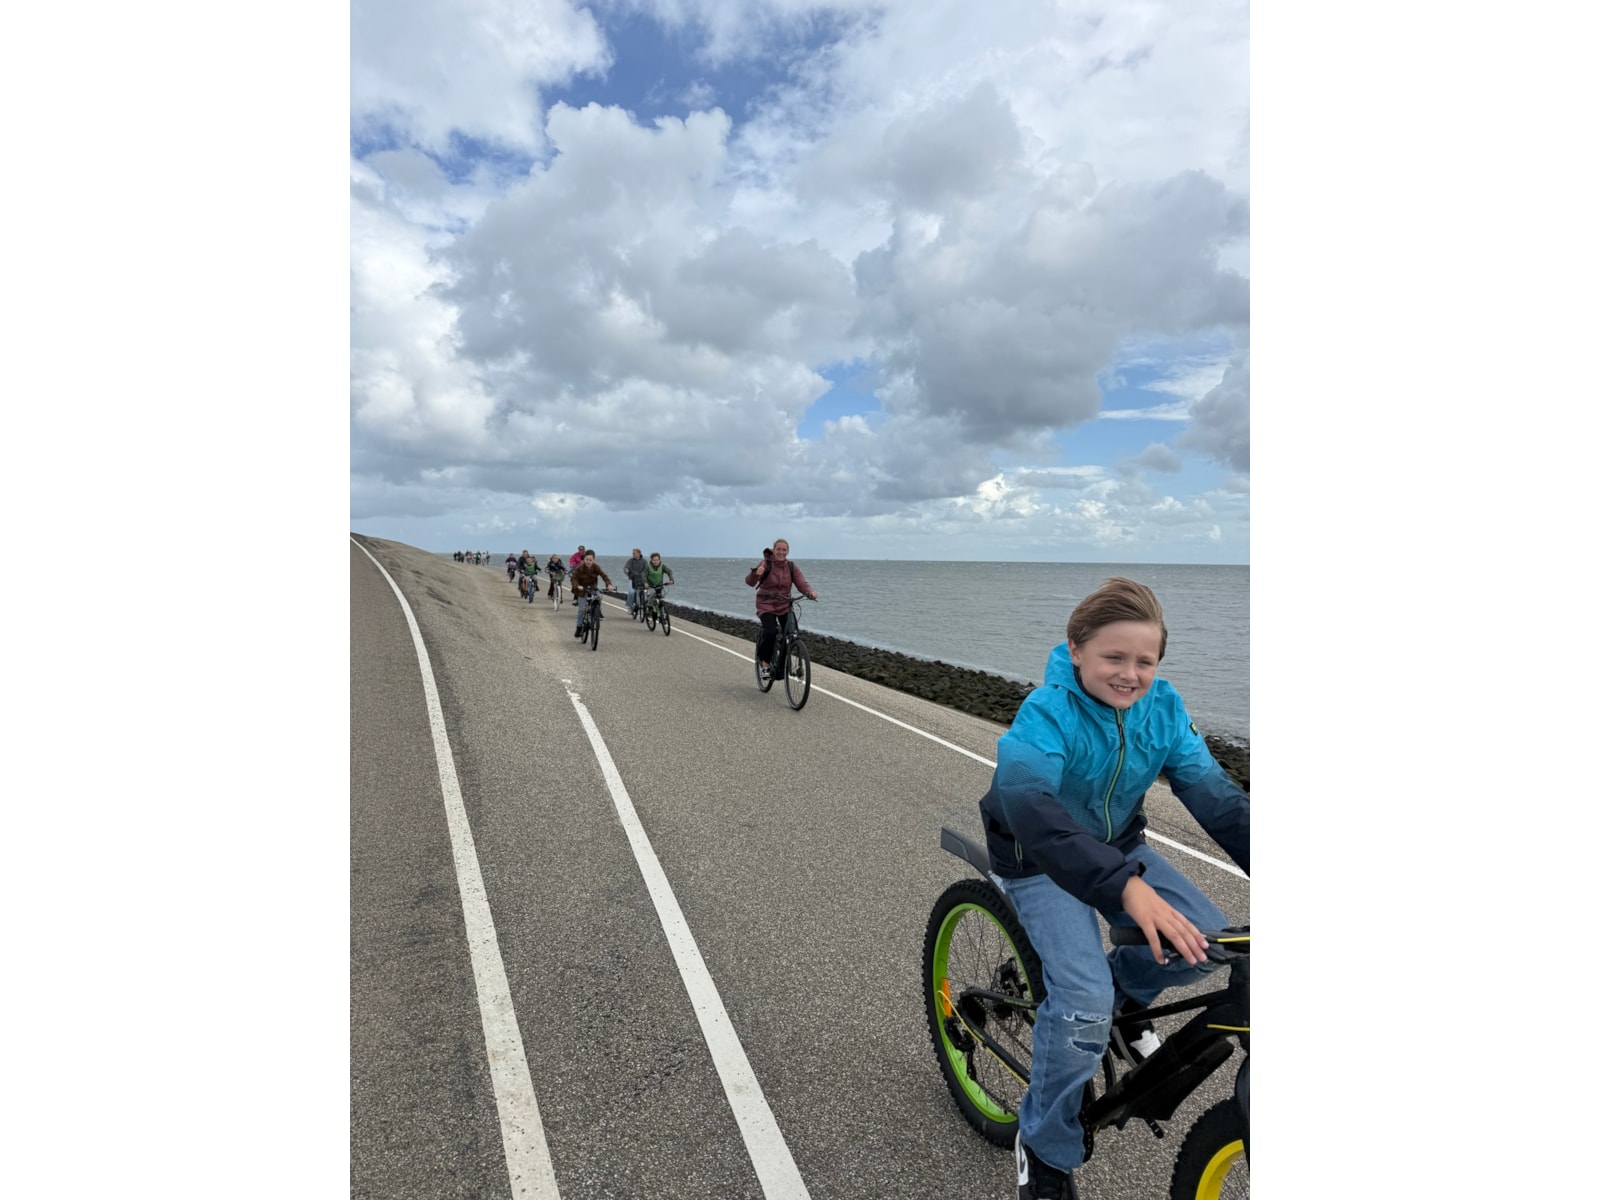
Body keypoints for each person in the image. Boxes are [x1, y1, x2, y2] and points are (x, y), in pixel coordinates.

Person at [976, 577, 1249, 1200]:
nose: (1130, 675)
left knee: (1207, 944)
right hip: (1035, 857)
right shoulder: (1046, 712)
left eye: (1145, 662)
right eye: (1114, 657)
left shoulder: (1164, 710)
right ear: (1076, 649)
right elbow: (1028, 804)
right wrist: (1124, 889)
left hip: (1117, 847)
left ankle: (1122, 1003)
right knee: (1081, 1002)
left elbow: (1218, 801)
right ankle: (1041, 1144)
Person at [743, 539, 818, 680]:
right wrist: (756, 574)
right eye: (778, 549)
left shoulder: (791, 566)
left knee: (791, 634)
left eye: (784, 550)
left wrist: (810, 592)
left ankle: (781, 668)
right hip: (766, 604)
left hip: (784, 604)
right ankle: (765, 665)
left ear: (788, 551)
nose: (781, 552)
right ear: (774, 550)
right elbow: (749, 582)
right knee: (771, 632)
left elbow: (801, 583)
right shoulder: (765, 564)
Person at [568, 550, 613, 637]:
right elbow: (574, 578)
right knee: (581, 609)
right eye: (587, 560)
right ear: (584, 560)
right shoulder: (580, 568)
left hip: (593, 587)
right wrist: (577, 585)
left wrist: (609, 585)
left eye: (590, 560)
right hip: (582, 589)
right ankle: (579, 627)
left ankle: (597, 612)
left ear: (593, 560)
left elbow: (604, 576)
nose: (588, 562)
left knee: (599, 596)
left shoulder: (596, 567)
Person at [622, 548, 648, 615]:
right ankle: (630, 607)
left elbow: (647, 569)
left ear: (639, 553)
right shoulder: (630, 561)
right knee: (631, 593)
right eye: (632, 553)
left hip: (642, 580)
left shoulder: (644, 561)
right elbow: (626, 568)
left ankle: (644, 606)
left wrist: (644, 575)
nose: (633, 554)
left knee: (645, 593)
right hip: (632, 579)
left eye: (634, 553)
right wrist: (627, 571)